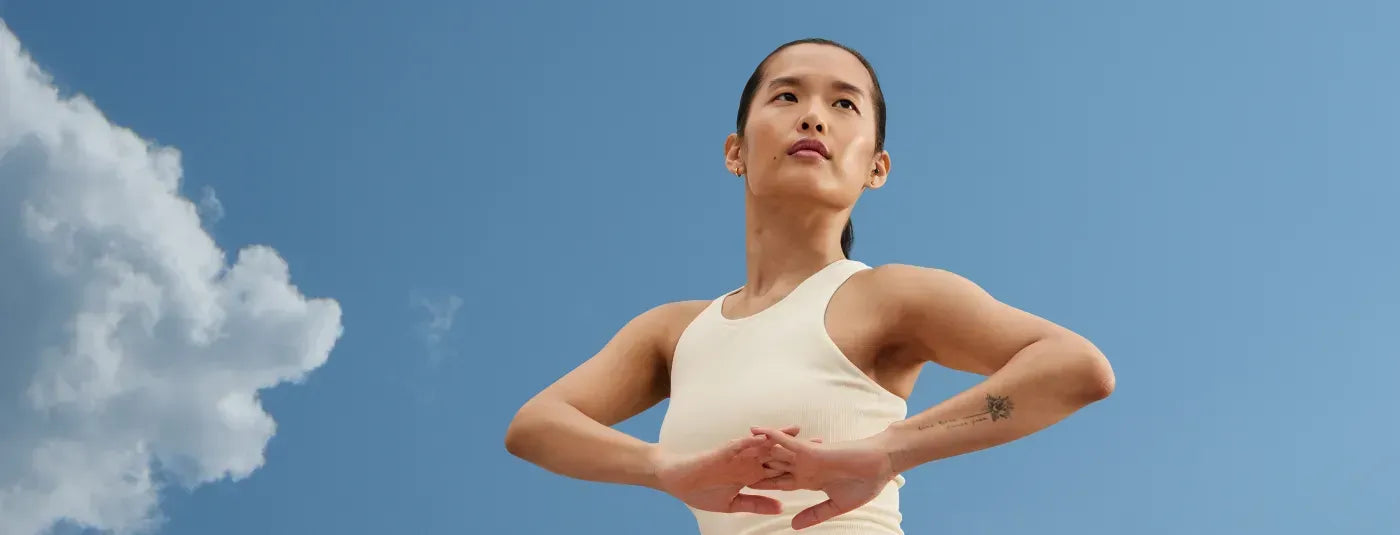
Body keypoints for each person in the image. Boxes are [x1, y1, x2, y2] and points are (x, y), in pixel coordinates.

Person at [504, 38, 1116, 533]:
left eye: (845, 104)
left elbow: (1075, 367)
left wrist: (889, 450)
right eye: (787, 95)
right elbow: (535, 426)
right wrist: (661, 467)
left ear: (876, 167)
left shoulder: (889, 297)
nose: (813, 116)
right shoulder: (673, 332)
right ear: (735, 151)